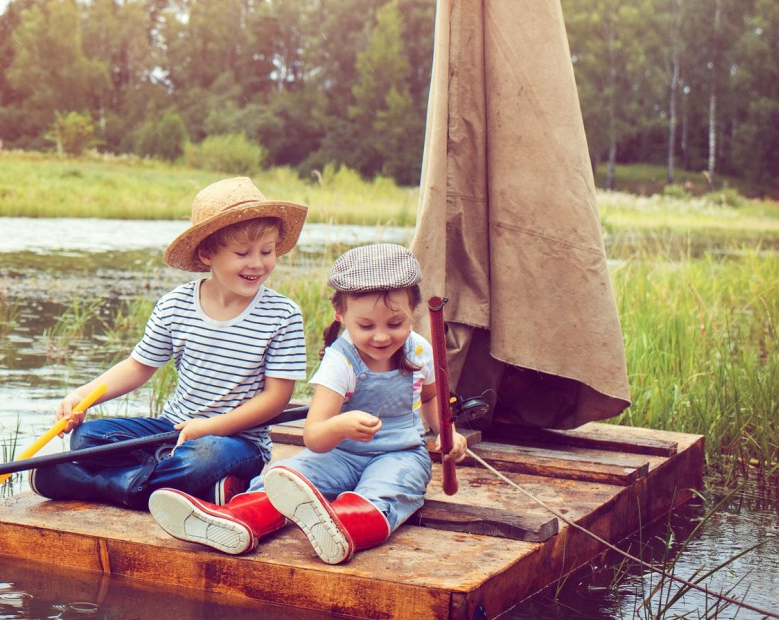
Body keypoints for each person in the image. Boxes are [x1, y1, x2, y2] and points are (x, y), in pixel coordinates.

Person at [149, 243, 468, 564]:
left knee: (390, 488)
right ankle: (237, 520)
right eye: (366, 326)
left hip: (399, 454)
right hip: (337, 453)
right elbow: (314, 436)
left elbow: (431, 399)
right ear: (341, 316)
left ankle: (342, 525)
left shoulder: (420, 351)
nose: (382, 337)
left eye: (395, 324)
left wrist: (447, 432)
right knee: (286, 475)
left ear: (413, 311)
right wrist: (339, 425)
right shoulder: (340, 361)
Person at [29, 176, 309, 511]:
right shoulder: (176, 305)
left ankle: (94, 484)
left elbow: (276, 398)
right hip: (171, 430)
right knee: (88, 439)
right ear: (207, 253)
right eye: (242, 253)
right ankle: (191, 489)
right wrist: (82, 395)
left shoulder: (282, 315)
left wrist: (211, 427)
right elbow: (138, 367)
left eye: (267, 251)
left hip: (236, 440)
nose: (258, 263)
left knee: (206, 455)